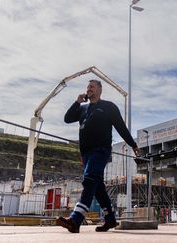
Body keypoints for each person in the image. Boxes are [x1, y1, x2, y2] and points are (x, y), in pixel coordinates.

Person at [56, 79, 140, 233]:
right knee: (98, 187)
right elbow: (67, 119)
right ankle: (110, 220)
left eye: (92, 87)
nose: (89, 89)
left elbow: (121, 127)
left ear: (100, 90)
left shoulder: (108, 107)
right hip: (86, 154)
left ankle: (75, 220)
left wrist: (133, 144)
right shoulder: (82, 108)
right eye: (87, 87)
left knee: (89, 181)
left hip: (101, 150)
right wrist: (77, 102)